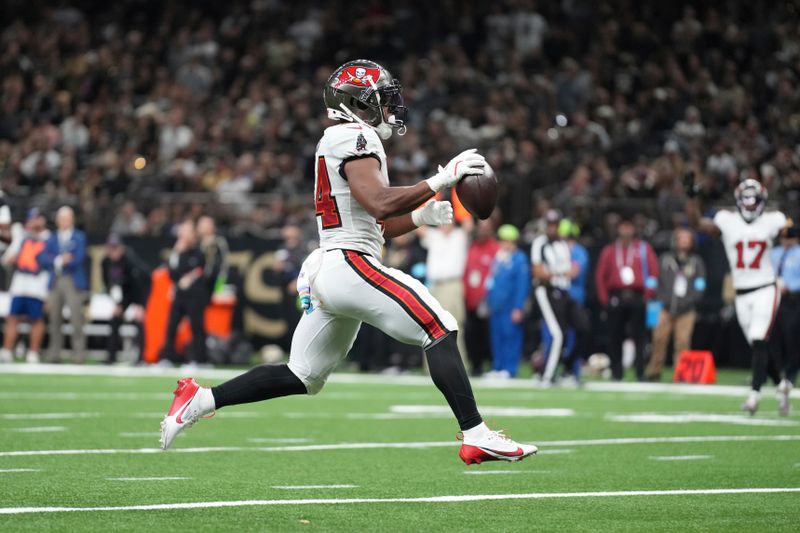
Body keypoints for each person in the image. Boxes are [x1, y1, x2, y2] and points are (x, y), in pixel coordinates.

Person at [159, 60, 537, 464]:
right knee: (438, 325)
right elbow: (378, 202)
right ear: (360, 103)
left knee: (302, 375)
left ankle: (199, 400)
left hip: (338, 265)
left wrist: (420, 217)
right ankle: (476, 433)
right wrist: (439, 182)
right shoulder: (355, 137)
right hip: (347, 264)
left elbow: (376, 223)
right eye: (383, 99)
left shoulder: (343, 139)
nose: (392, 108)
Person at [687, 178, 787, 414]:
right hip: (741, 293)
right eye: (747, 200)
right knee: (757, 343)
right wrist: (692, 198)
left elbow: (790, 232)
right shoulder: (726, 220)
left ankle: (754, 395)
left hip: (765, 287)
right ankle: (782, 384)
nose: (750, 205)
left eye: (754, 201)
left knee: (759, 337)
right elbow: (697, 223)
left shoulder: (774, 219)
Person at [595, 216, 659, 381]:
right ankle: (617, 373)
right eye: (623, 226)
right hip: (616, 296)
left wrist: (648, 295)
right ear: (618, 229)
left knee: (640, 337)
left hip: (638, 296)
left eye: (629, 226)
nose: (626, 230)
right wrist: (605, 299)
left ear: (634, 229)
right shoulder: (610, 250)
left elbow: (653, 273)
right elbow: (600, 276)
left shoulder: (644, 249)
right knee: (615, 336)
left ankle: (639, 372)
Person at [532, 210, 590, 384]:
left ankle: (568, 366)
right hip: (547, 292)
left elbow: (573, 270)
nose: (552, 228)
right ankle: (547, 376)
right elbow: (538, 272)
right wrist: (562, 273)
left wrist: (560, 273)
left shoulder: (562, 245)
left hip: (564, 292)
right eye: (549, 225)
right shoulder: (540, 243)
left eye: (554, 225)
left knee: (583, 327)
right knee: (558, 334)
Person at [645, 227, 707, 381]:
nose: (684, 241)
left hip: (686, 309)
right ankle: (654, 371)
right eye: (681, 238)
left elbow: (700, 285)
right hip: (664, 307)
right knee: (659, 339)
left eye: (687, 238)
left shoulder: (696, 262)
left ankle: (682, 373)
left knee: (683, 342)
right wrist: (659, 298)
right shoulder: (665, 259)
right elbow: (654, 280)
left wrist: (689, 301)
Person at [39, 206, 88, 363]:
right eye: (63, 218)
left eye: (68, 218)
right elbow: (42, 258)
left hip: (72, 280)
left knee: (76, 319)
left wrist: (62, 260)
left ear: (72, 220)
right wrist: (60, 260)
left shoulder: (79, 237)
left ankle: (78, 354)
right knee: (54, 319)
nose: (65, 221)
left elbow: (78, 258)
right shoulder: (52, 238)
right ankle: (55, 353)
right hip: (56, 279)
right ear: (57, 220)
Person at [0, 209, 50, 364]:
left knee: (36, 319)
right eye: (31, 219)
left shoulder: (49, 238)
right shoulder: (21, 237)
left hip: (38, 284)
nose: (34, 222)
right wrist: (13, 258)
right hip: (20, 283)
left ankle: (33, 352)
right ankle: (7, 351)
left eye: (36, 219)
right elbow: (6, 259)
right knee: (13, 318)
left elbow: (51, 262)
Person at [160, 220, 208, 366]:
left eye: (186, 231)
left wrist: (189, 277)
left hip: (194, 296)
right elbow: (172, 273)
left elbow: (200, 270)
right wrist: (176, 252)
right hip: (180, 296)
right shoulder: (179, 252)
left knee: (196, 327)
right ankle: (167, 358)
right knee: (171, 325)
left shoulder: (199, 252)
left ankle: (200, 359)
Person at [485, 224, 530, 378]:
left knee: (510, 336)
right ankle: (498, 367)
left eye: (506, 241)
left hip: (510, 306)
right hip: (496, 305)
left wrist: (518, 307)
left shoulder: (519, 259)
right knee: (496, 336)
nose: (503, 243)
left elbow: (521, 286)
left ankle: (509, 368)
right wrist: (488, 300)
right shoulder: (499, 257)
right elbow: (492, 280)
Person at [101, 234, 147, 364]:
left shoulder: (130, 261)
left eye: (115, 248)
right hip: (124, 295)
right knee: (115, 319)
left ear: (121, 248)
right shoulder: (106, 262)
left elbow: (139, 284)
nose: (113, 251)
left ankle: (141, 358)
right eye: (110, 248)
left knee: (139, 321)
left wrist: (139, 305)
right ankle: (111, 357)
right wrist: (117, 303)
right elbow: (108, 283)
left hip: (139, 292)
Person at [769, 225, 800, 415]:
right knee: (773, 339)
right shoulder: (775, 253)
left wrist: (790, 286)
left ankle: (789, 377)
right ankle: (781, 377)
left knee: (793, 339)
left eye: (788, 238)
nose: (784, 242)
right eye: (782, 238)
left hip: (793, 301)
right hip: (773, 299)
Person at [462, 219, 499, 376]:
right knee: (471, 335)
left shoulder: (495, 249)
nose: (482, 230)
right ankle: (475, 365)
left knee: (487, 335)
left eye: (486, 227)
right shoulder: (472, 247)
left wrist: (488, 297)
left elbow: (496, 275)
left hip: (486, 301)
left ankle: (489, 364)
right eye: (480, 227)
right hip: (469, 300)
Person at [197, 215, 229, 301]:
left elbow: (223, 266)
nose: (199, 227)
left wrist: (219, 288)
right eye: (199, 224)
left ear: (211, 226)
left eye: (203, 224)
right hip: (197, 284)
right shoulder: (197, 243)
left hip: (211, 283)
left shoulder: (219, 243)